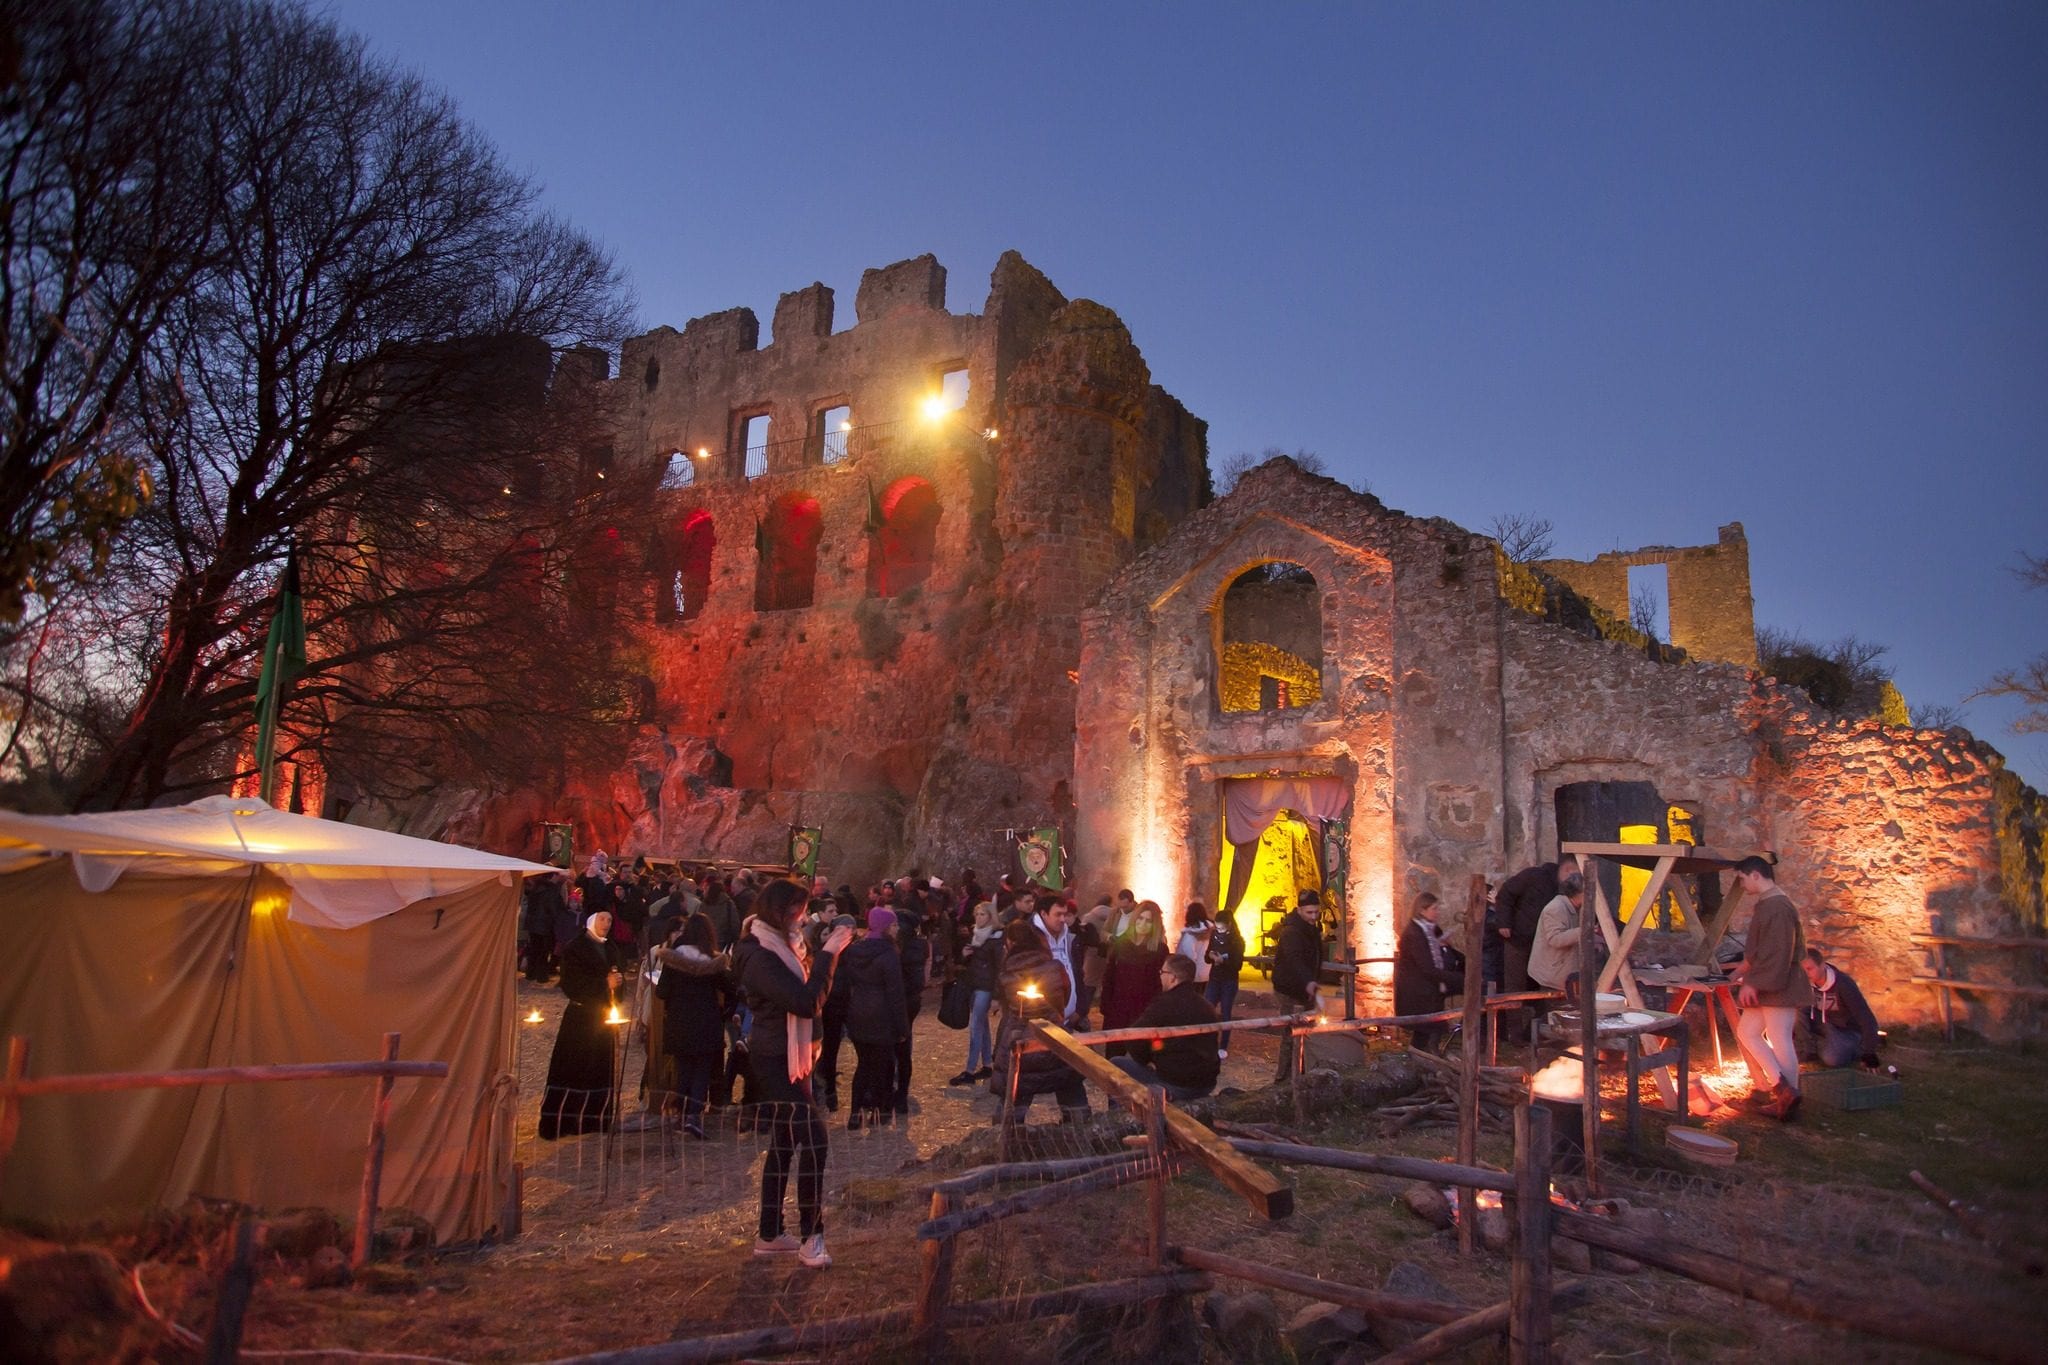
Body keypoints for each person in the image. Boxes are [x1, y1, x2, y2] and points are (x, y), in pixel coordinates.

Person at [739, 879, 853, 1268]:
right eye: (800, 911)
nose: (804, 918)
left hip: (796, 1056)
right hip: (774, 1059)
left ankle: (770, 1234)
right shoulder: (759, 955)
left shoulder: (787, 946)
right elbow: (806, 1002)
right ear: (783, 912)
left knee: (785, 1142)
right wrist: (829, 955)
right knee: (815, 1139)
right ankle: (811, 1235)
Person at [1729, 856, 1814, 1120]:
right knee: (1748, 1032)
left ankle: (1788, 1099)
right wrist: (1741, 971)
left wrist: (1753, 982)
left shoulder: (1778, 907)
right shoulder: (1769, 904)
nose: (1741, 885)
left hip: (1779, 983)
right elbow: (1761, 949)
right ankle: (1783, 1089)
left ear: (1755, 875)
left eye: (1742, 878)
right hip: (1768, 982)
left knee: (1779, 1038)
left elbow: (1779, 952)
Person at [990, 909, 1089, 1121]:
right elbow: (1065, 994)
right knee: (1069, 1082)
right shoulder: (1055, 967)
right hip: (1055, 1035)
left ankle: (1006, 1139)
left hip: (1020, 1041)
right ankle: (1081, 1132)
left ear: (1009, 943)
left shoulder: (1006, 975)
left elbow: (1008, 1010)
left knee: (1014, 1095)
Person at [538, 909, 628, 1140]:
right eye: (602, 919)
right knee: (573, 1067)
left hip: (603, 1017)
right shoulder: (575, 948)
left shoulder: (611, 948)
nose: (606, 923)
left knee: (599, 1068)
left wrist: (618, 984)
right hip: (580, 1019)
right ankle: (563, 1121)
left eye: (609, 919)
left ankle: (595, 1119)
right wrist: (603, 984)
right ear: (591, 920)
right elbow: (571, 984)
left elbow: (618, 977)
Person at [656, 912, 730, 1138]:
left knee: (684, 1069)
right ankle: (693, 1116)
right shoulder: (714, 963)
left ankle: (680, 1113)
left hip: (680, 1021)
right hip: (707, 1021)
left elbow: (661, 991)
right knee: (702, 1071)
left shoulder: (673, 960)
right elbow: (729, 988)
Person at [1112, 954, 1222, 1100]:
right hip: (1205, 1084)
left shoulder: (1164, 1004)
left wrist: (1145, 1060)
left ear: (1173, 977)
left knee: (1114, 1065)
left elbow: (1134, 1038)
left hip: (1176, 1083)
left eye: (1162, 972)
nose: (1160, 976)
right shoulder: (1206, 1006)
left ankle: (1118, 1116)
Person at [841, 907, 908, 1130]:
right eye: (895, 925)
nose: (898, 928)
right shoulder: (888, 954)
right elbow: (895, 993)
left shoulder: (854, 950)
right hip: (882, 1015)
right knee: (883, 1066)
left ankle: (855, 1111)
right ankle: (881, 1110)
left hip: (858, 1011)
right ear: (887, 927)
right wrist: (902, 1027)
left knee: (864, 1064)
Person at [1394, 892, 1467, 1053]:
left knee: (1429, 1029)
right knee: (1429, 1026)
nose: (1437, 912)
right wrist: (1458, 979)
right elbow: (1427, 968)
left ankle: (1424, 1053)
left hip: (1431, 984)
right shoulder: (1414, 935)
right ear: (1422, 910)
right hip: (1418, 989)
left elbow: (1448, 952)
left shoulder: (1432, 930)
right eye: (1434, 908)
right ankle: (1426, 1055)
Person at [1099, 900, 1168, 1055]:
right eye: (1140, 918)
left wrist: (1156, 1014)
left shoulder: (1159, 950)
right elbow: (1109, 977)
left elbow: (1160, 985)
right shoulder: (1121, 944)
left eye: (1148, 921)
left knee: (1140, 1059)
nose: (1143, 923)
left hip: (1144, 1012)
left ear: (1154, 924)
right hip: (1118, 1009)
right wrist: (1107, 1007)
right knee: (1114, 1058)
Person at [1272, 890, 1325, 1082]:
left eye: (1316, 912)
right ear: (1299, 910)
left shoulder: (1312, 930)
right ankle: (1284, 1077)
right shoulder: (1291, 932)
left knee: (1306, 1031)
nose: (1313, 917)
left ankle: (1301, 1072)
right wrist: (1308, 981)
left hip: (1304, 990)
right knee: (1290, 1033)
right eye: (1309, 913)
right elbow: (1295, 960)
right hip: (1290, 990)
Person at [949, 900, 1005, 1086]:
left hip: (986, 987)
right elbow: (965, 962)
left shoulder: (996, 938)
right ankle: (987, 1064)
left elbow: (1000, 968)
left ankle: (969, 1070)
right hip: (974, 984)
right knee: (981, 1025)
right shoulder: (974, 935)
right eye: (977, 914)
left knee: (976, 1027)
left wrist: (997, 996)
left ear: (991, 917)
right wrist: (964, 956)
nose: (979, 918)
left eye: (983, 915)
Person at [1800, 949, 1883, 1071]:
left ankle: (1854, 1047)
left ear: (1822, 965)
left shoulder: (1843, 984)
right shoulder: (1806, 984)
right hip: (1820, 1027)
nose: (1806, 974)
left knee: (1832, 1059)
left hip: (1843, 1030)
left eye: (1809, 969)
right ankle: (1810, 1047)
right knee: (1796, 1012)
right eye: (1802, 970)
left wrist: (1869, 1052)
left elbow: (1866, 1018)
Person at [1525, 874, 1588, 1000]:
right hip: (1552, 973)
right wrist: (1584, 932)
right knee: (1556, 1013)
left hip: (1562, 971)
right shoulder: (1555, 908)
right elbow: (1555, 939)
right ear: (1580, 894)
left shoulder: (1574, 908)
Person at [1203, 903, 1246, 1057]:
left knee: (1226, 1012)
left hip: (1229, 981)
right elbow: (1207, 956)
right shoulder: (1214, 936)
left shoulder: (1237, 941)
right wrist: (1211, 956)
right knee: (1207, 1009)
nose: (1219, 931)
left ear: (1229, 925)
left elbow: (1238, 964)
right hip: (1214, 978)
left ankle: (1223, 1046)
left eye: (1221, 928)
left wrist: (1224, 961)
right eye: (1217, 928)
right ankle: (1207, 1041)